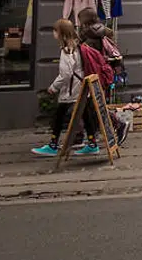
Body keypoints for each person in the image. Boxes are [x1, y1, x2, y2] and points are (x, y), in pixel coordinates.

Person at [32, 19, 98, 157]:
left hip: (71, 89)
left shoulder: (67, 50)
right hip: (81, 86)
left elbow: (66, 74)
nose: (53, 34)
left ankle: (53, 145)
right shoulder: (78, 45)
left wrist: (53, 87)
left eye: (55, 31)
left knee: (59, 116)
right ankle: (92, 144)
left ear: (61, 33)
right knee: (85, 115)